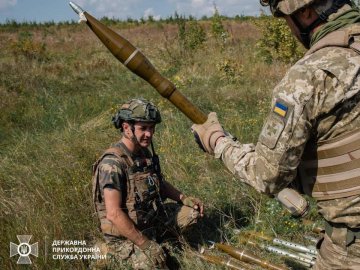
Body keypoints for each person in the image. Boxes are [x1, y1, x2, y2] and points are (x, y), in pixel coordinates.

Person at [191, 0, 360, 269]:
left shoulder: (309, 76)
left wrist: (218, 143)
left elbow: (267, 175)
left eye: (286, 20)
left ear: (304, 13)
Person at [92, 98, 204, 269]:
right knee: (154, 263)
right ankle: (106, 254)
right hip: (125, 236)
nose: (149, 134)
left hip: (150, 222)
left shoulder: (144, 153)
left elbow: (160, 184)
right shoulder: (112, 164)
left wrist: (184, 198)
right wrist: (145, 244)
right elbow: (113, 214)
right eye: (143, 128)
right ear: (126, 128)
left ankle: (163, 242)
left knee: (192, 213)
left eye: (152, 128)